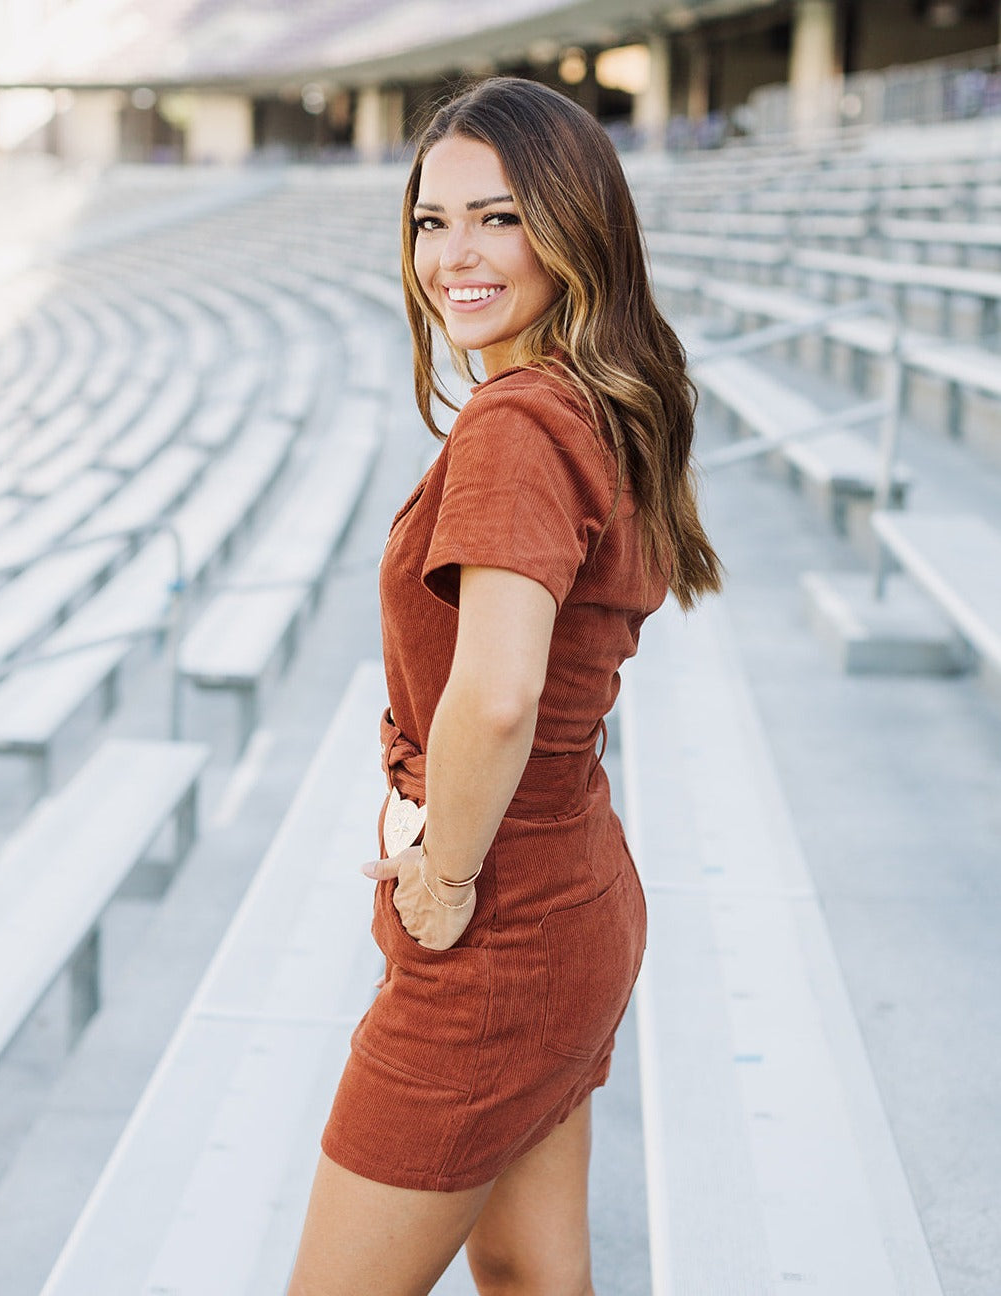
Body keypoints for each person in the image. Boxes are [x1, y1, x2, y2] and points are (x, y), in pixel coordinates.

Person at [288, 76, 722, 1296]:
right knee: (532, 1273)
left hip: (502, 929)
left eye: (499, 217)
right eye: (432, 221)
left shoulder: (518, 428)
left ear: (574, 224)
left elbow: (495, 695)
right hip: (578, 903)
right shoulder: (596, 401)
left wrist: (443, 879)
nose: (454, 254)